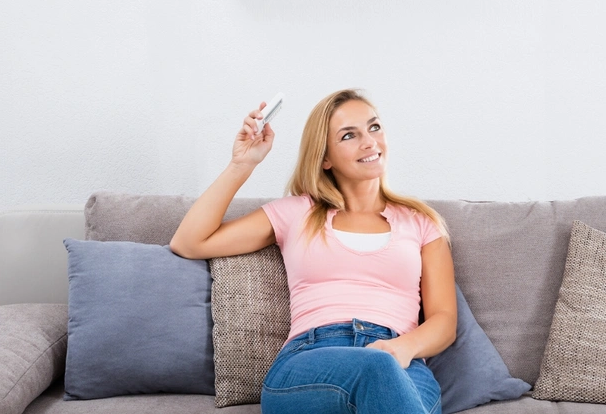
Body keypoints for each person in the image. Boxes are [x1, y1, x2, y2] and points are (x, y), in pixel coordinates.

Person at [170, 88, 457, 414]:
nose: (369, 142)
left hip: (400, 360)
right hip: (311, 358)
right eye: (349, 135)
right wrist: (242, 163)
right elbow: (189, 242)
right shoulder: (296, 213)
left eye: (374, 127)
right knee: (376, 369)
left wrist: (403, 348)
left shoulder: (422, 223)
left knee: (381, 372)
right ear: (324, 158)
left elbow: (444, 319)